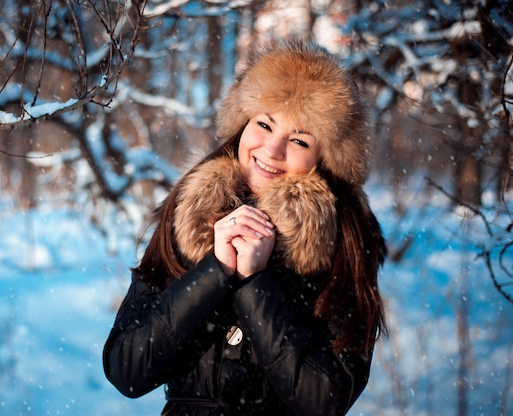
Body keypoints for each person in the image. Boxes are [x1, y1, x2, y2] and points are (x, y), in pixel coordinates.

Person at [103, 37, 387, 416]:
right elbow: (128, 370)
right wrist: (214, 272)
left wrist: (256, 283)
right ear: (242, 123)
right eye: (264, 124)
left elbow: (326, 399)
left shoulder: (344, 242)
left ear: (326, 158)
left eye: (299, 139)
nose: (272, 150)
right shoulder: (188, 214)